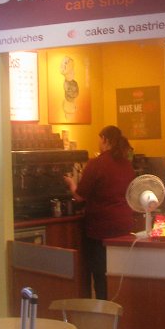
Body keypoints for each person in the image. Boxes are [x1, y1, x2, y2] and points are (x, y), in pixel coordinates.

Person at [64, 125, 135, 299]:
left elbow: (80, 196)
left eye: (99, 140)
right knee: (118, 272)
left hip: (101, 228)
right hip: (124, 225)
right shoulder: (126, 164)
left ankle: (102, 306)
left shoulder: (96, 164)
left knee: (100, 272)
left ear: (104, 139)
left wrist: (71, 183)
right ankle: (119, 306)